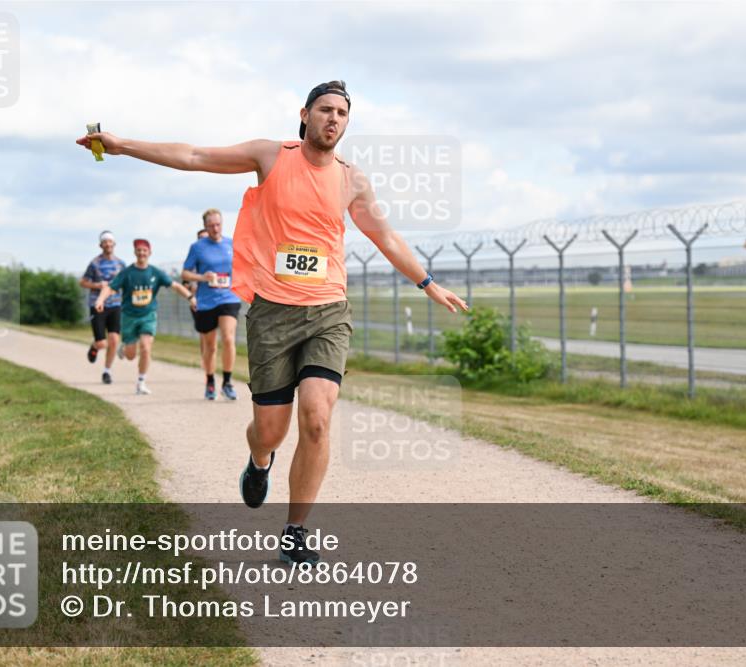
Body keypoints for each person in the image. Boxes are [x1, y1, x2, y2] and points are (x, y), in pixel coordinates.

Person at [77, 80, 467, 564]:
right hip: (271, 315)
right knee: (269, 430)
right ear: (304, 114)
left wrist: (428, 283)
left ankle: (296, 529)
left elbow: (384, 235)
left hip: (328, 311)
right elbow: (196, 156)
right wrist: (122, 145)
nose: (334, 119)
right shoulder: (270, 156)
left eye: (342, 114)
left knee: (318, 419)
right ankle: (260, 462)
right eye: (325, 110)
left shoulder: (352, 180)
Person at [94, 238, 195, 395]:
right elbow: (110, 288)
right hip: (129, 317)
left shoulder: (155, 273)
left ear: (149, 253)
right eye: (139, 250)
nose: (142, 253)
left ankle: (141, 382)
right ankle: (125, 348)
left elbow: (175, 286)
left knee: (146, 348)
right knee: (131, 355)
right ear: (135, 252)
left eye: (144, 250)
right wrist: (100, 299)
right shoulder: (127, 273)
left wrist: (190, 297)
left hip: (148, 315)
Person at [181, 208, 241, 400]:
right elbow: (185, 274)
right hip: (206, 302)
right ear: (205, 226)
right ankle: (210, 382)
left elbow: (242, 267)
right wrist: (202, 277)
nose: (215, 229)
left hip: (229, 298)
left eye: (218, 224)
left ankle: (227, 382)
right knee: (210, 346)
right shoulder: (198, 247)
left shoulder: (232, 244)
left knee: (229, 338)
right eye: (211, 225)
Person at [80, 231, 127, 384]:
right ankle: (94, 346)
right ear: (101, 245)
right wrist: (97, 285)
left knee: (114, 340)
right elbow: (83, 282)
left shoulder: (121, 264)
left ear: (114, 244)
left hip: (115, 304)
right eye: (105, 242)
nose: (107, 244)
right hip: (98, 305)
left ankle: (107, 371)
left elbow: (126, 282)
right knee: (102, 343)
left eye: (110, 242)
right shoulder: (95, 263)